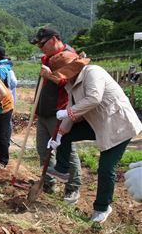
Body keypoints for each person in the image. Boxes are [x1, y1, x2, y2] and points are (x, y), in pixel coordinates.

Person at [45, 51, 142, 223]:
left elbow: (94, 98)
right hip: (98, 123)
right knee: (67, 136)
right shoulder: (71, 83)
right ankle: (62, 169)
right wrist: (59, 134)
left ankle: (102, 208)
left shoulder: (93, 72)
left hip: (118, 124)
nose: (63, 78)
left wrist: (68, 112)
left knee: (106, 168)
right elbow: (73, 110)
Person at [30, 27, 82, 204]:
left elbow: (68, 81)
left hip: (59, 113)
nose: (41, 48)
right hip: (44, 112)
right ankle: (48, 184)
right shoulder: (47, 58)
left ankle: (73, 188)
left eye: (42, 44)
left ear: (54, 39)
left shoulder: (69, 56)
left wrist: (49, 75)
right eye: (38, 45)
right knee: (43, 150)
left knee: (66, 151)